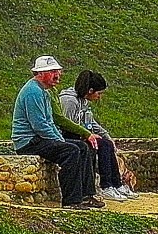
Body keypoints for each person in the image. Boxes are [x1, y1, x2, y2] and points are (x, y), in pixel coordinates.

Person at [11, 55, 103, 209]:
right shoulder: (33, 92)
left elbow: (49, 122)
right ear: (40, 74)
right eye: (52, 72)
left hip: (39, 138)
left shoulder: (44, 91)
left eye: (58, 71)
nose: (57, 75)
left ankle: (86, 195)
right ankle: (71, 201)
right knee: (71, 151)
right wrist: (59, 141)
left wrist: (58, 138)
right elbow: (40, 125)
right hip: (29, 141)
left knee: (83, 147)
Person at [60, 70, 140, 200]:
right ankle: (105, 186)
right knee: (97, 146)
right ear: (90, 90)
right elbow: (67, 124)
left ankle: (116, 184)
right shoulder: (69, 101)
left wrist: (107, 137)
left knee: (106, 144)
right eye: (99, 93)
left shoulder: (83, 102)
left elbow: (91, 122)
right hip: (69, 136)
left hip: (82, 133)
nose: (99, 97)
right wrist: (86, 135)